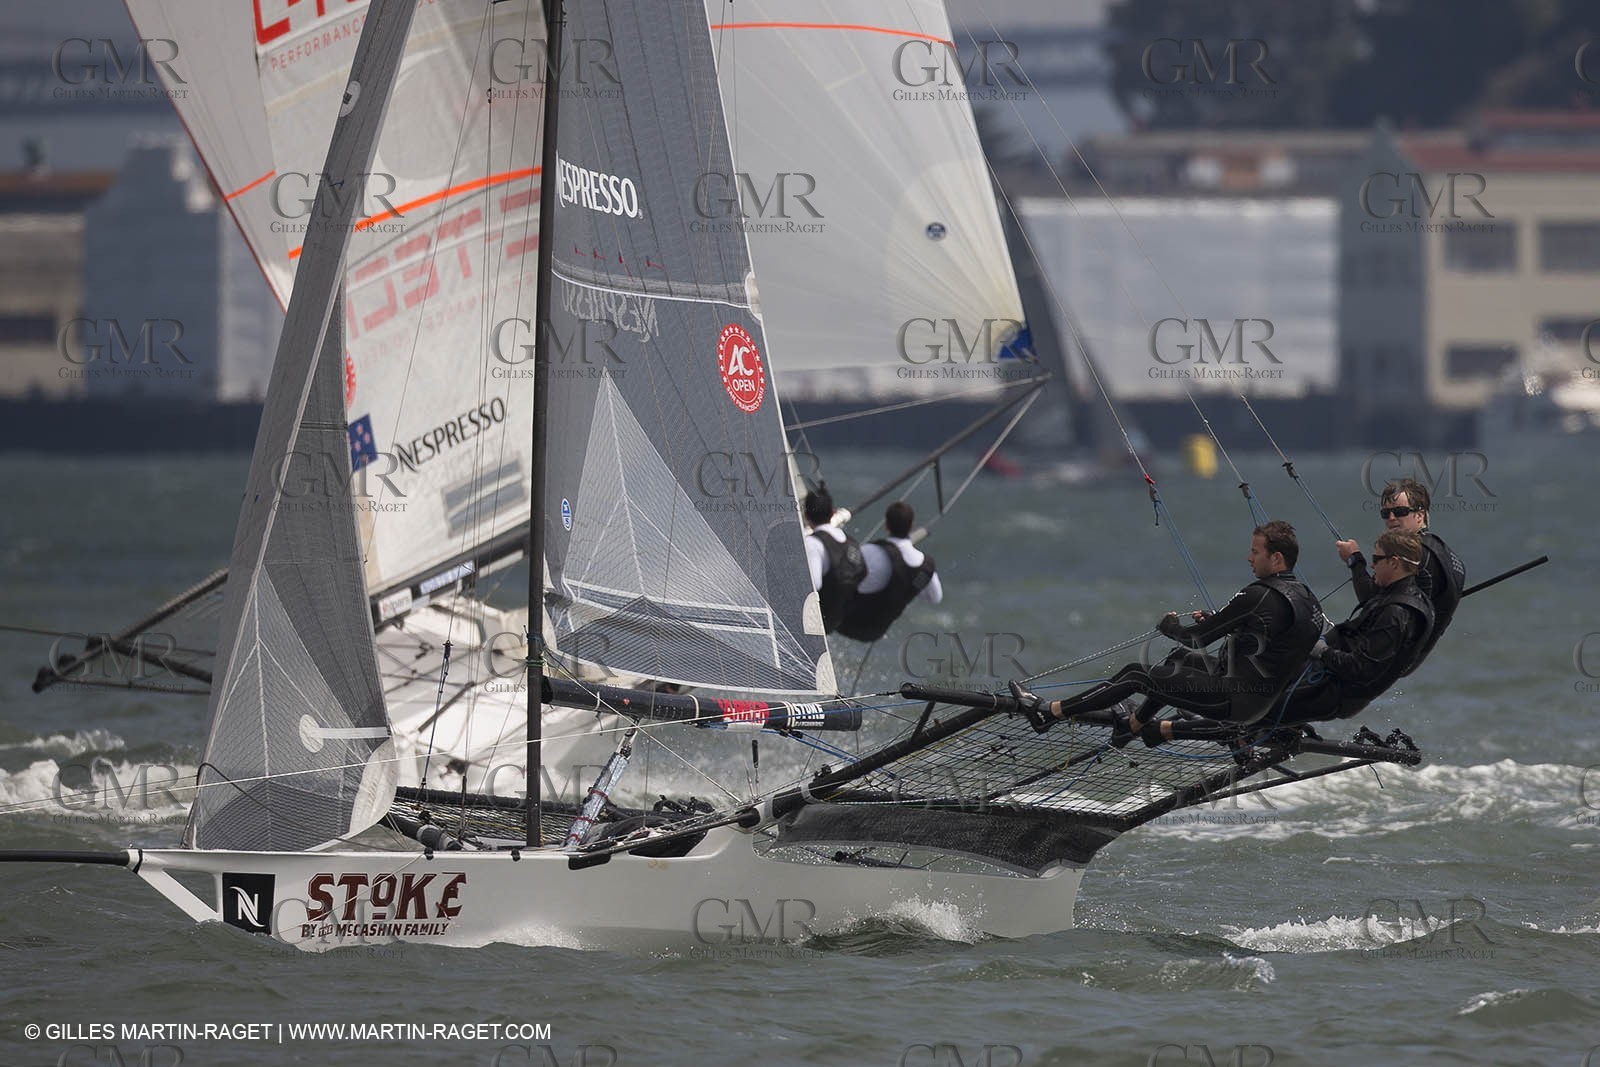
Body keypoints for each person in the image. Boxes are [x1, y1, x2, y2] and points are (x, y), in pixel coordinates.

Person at [1009, 520, 1324, 743]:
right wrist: (1228, 621)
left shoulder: (1259, 595)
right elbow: (1279, 642)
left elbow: (1196, 639)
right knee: (1179, 659)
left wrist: (1169, 625)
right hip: (1259, 702)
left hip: (1231, 699)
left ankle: (1049, 713)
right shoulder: (1308, 601)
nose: (1248, 558)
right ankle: (1133, 725)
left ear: (1276, 558)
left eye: (1255, 552)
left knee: (1137, 674)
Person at [1271, 529, 1434, 725]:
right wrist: (1355, 561)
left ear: (1394, 562)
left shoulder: (1395, 613)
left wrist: (1322, 652)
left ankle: (1248, 732)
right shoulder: (1401, 593)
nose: (1372, 564)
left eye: (1376, 558)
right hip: (1328, 676)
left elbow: (1360, 669)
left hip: (1336, 692)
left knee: (1251, 707)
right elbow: (1368, 596)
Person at [1335, 477, 1464, 672]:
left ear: (1420, 515)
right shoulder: (1448, 554)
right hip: (1410, 657)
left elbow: (1370, 600)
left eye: (1400, 512)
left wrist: (1354, 560)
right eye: (1386, 514)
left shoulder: (1411, 554)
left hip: (1385, 657)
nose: (1392, 518)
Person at [835, 501, 942, 642]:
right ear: (911, 525)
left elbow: (841, 576)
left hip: (845, 623)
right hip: (875, 632)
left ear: (886, 525)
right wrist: (909, 585)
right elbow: (935, 598)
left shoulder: (871, 551)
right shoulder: (926, 566)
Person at [803, 485, 865, 633]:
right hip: (841, 617)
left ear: (805, 516)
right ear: (833, 513)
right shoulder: (851, 542)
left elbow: (812, 585)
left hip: (819, 621)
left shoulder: (812, 543)